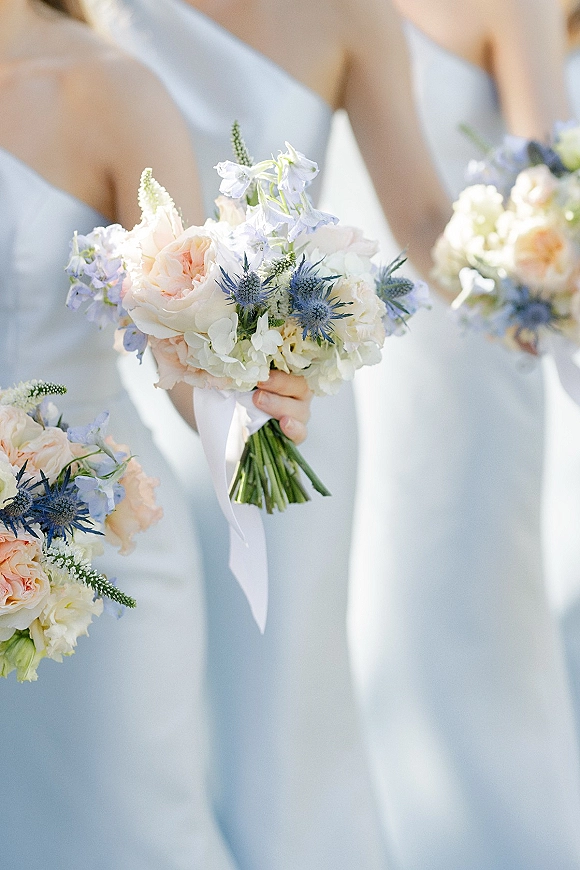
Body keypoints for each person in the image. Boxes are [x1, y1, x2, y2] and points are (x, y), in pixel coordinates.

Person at [88, 0, 452, 866]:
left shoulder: (357, 17)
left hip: (293, 411)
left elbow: (423, 222)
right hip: (138, 409)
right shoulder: (98, 16)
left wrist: (535, 276)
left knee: (289, 701)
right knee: (157, 709)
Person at [0, 2, 311, 868]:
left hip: (102, 550)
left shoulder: (111, 88)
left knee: (130, 830)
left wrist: (260, 403)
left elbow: (186, 350)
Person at [332, 1, 580, 868]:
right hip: (369, 354)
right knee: (374, 623)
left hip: (477, 351)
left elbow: (552, 184)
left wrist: (522, 287)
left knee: (468, 614)